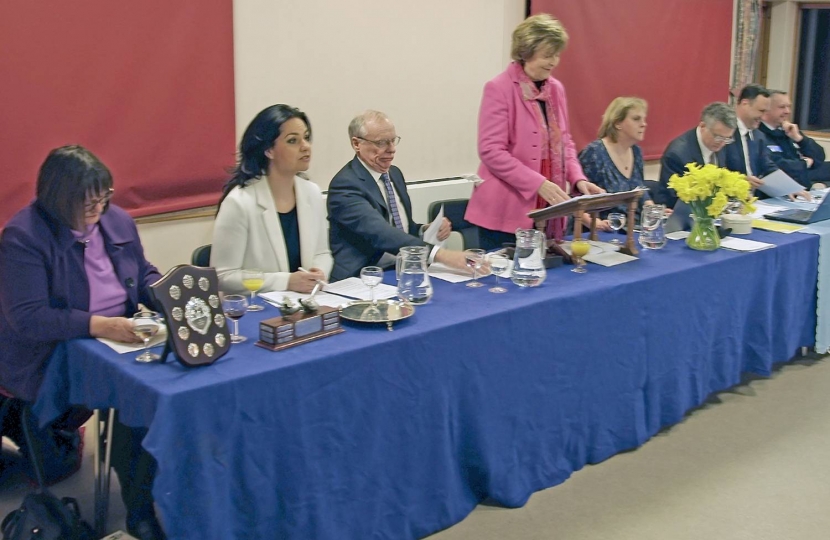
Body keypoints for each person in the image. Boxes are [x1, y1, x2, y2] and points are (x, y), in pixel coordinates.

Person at [0, 146, 166, 540]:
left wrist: (169, 295)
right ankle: (140, 511)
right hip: (52, 353)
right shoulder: (23, 237)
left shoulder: (118, 220)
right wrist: (100, 325)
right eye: (88, 201)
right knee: (129, 397)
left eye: (104, 196)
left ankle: (143, 505)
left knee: (147, 392)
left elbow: (143, 274)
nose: (99, 208)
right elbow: (29, 318)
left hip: (117, 340)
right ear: (58, 198)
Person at [464, 13, 604, 251]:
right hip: (505, 209)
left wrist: (578, 179)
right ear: (526, 51)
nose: (555, 62)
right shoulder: (499, 88)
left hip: (550, 206)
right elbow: (490, 150)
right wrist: (538, 183)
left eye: (557, 54)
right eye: (548, 55)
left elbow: (565, 142)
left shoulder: (556, 90)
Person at [327, 110, 469, 281]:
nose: (392, 149)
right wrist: (443, 255)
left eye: (393, 141)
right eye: (381, 143)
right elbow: (381, 233)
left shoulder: (394, 174)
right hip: (363, 277)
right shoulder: (345, 185)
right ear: (357, 144)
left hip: (399, 270)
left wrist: (426, 229)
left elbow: (401, 228)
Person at [212, 105, 332, 294]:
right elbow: (223, 276)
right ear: (269, 150)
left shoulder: (312, 193)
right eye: (293, 140)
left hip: (305, 304)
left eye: (306, 138)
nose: (305, 146)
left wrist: (318, 272)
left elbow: (322, 253)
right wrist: (286, 281)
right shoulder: (240, 202)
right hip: (257, 310)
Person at [578, 97, 653, 224]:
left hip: (632, 228)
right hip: (601, 230)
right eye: (636, 119)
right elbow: (577, 200)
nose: (643, 124)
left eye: (644, 119)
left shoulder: (636, 151)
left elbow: (640, 190)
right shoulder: (594, 153)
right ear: (617, 123)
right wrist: (593, 222)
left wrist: (654, 210)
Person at [657, 102, 738, 208]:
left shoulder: (720, 144)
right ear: (703, 126)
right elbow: (675, 200)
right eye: (718, 137)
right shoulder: (677, 154)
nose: (722, 143)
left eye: (727, 138)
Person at [759, 90, 829, 189]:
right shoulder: (759, 134)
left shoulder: (789, 130)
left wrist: (800, 139)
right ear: (766, 110)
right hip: (778, 189)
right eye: (782, 107)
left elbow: (819, 156)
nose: (788, 111)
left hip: (803, 188)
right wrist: (805, 163)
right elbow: (776, 165)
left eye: (789, 106)